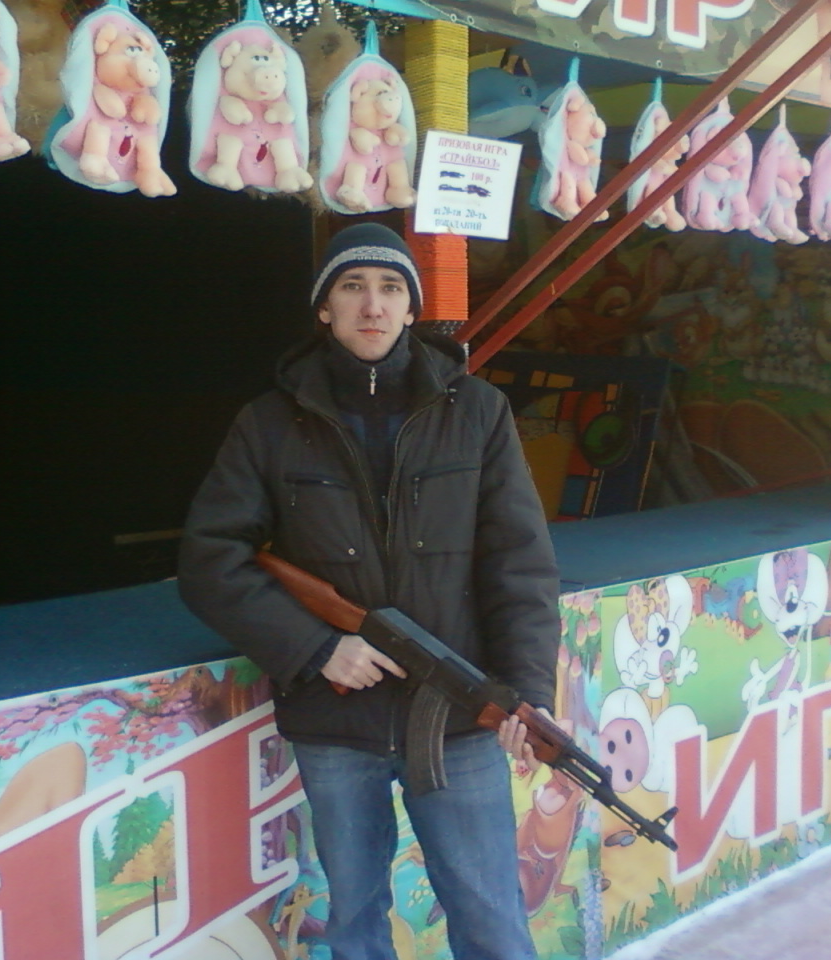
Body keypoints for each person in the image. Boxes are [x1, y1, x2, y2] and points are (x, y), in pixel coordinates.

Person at [178, 222, 560, 960]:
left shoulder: (477, 412)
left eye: (390, 288)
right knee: (354, 923)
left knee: (492, 919)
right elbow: (209, 559)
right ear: (324, 308)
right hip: (336, 722)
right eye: (352, 287)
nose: (373, 305)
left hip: (457, 716)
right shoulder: (268, 424)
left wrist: (527, 691)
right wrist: (316, 647)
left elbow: (518, 565)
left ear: (413, 307)